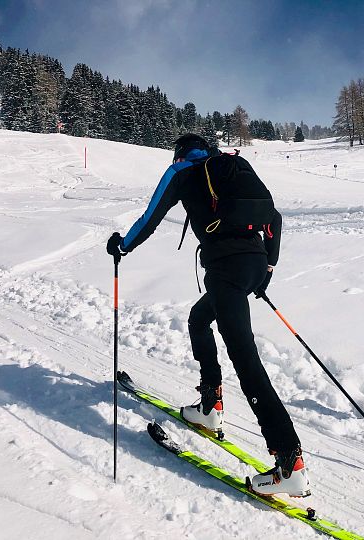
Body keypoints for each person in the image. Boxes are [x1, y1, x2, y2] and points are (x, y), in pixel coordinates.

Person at [107, 134, 309, 497]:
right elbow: (274, 218)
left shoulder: (182, 171)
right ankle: (209, 406)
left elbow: (150, 217)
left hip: (226, 270)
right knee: (199, 319)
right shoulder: (229, 168)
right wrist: (266, 269)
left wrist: (122, 246)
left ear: (180, 152)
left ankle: (289, 461)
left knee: (246, 359)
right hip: (251, 265)